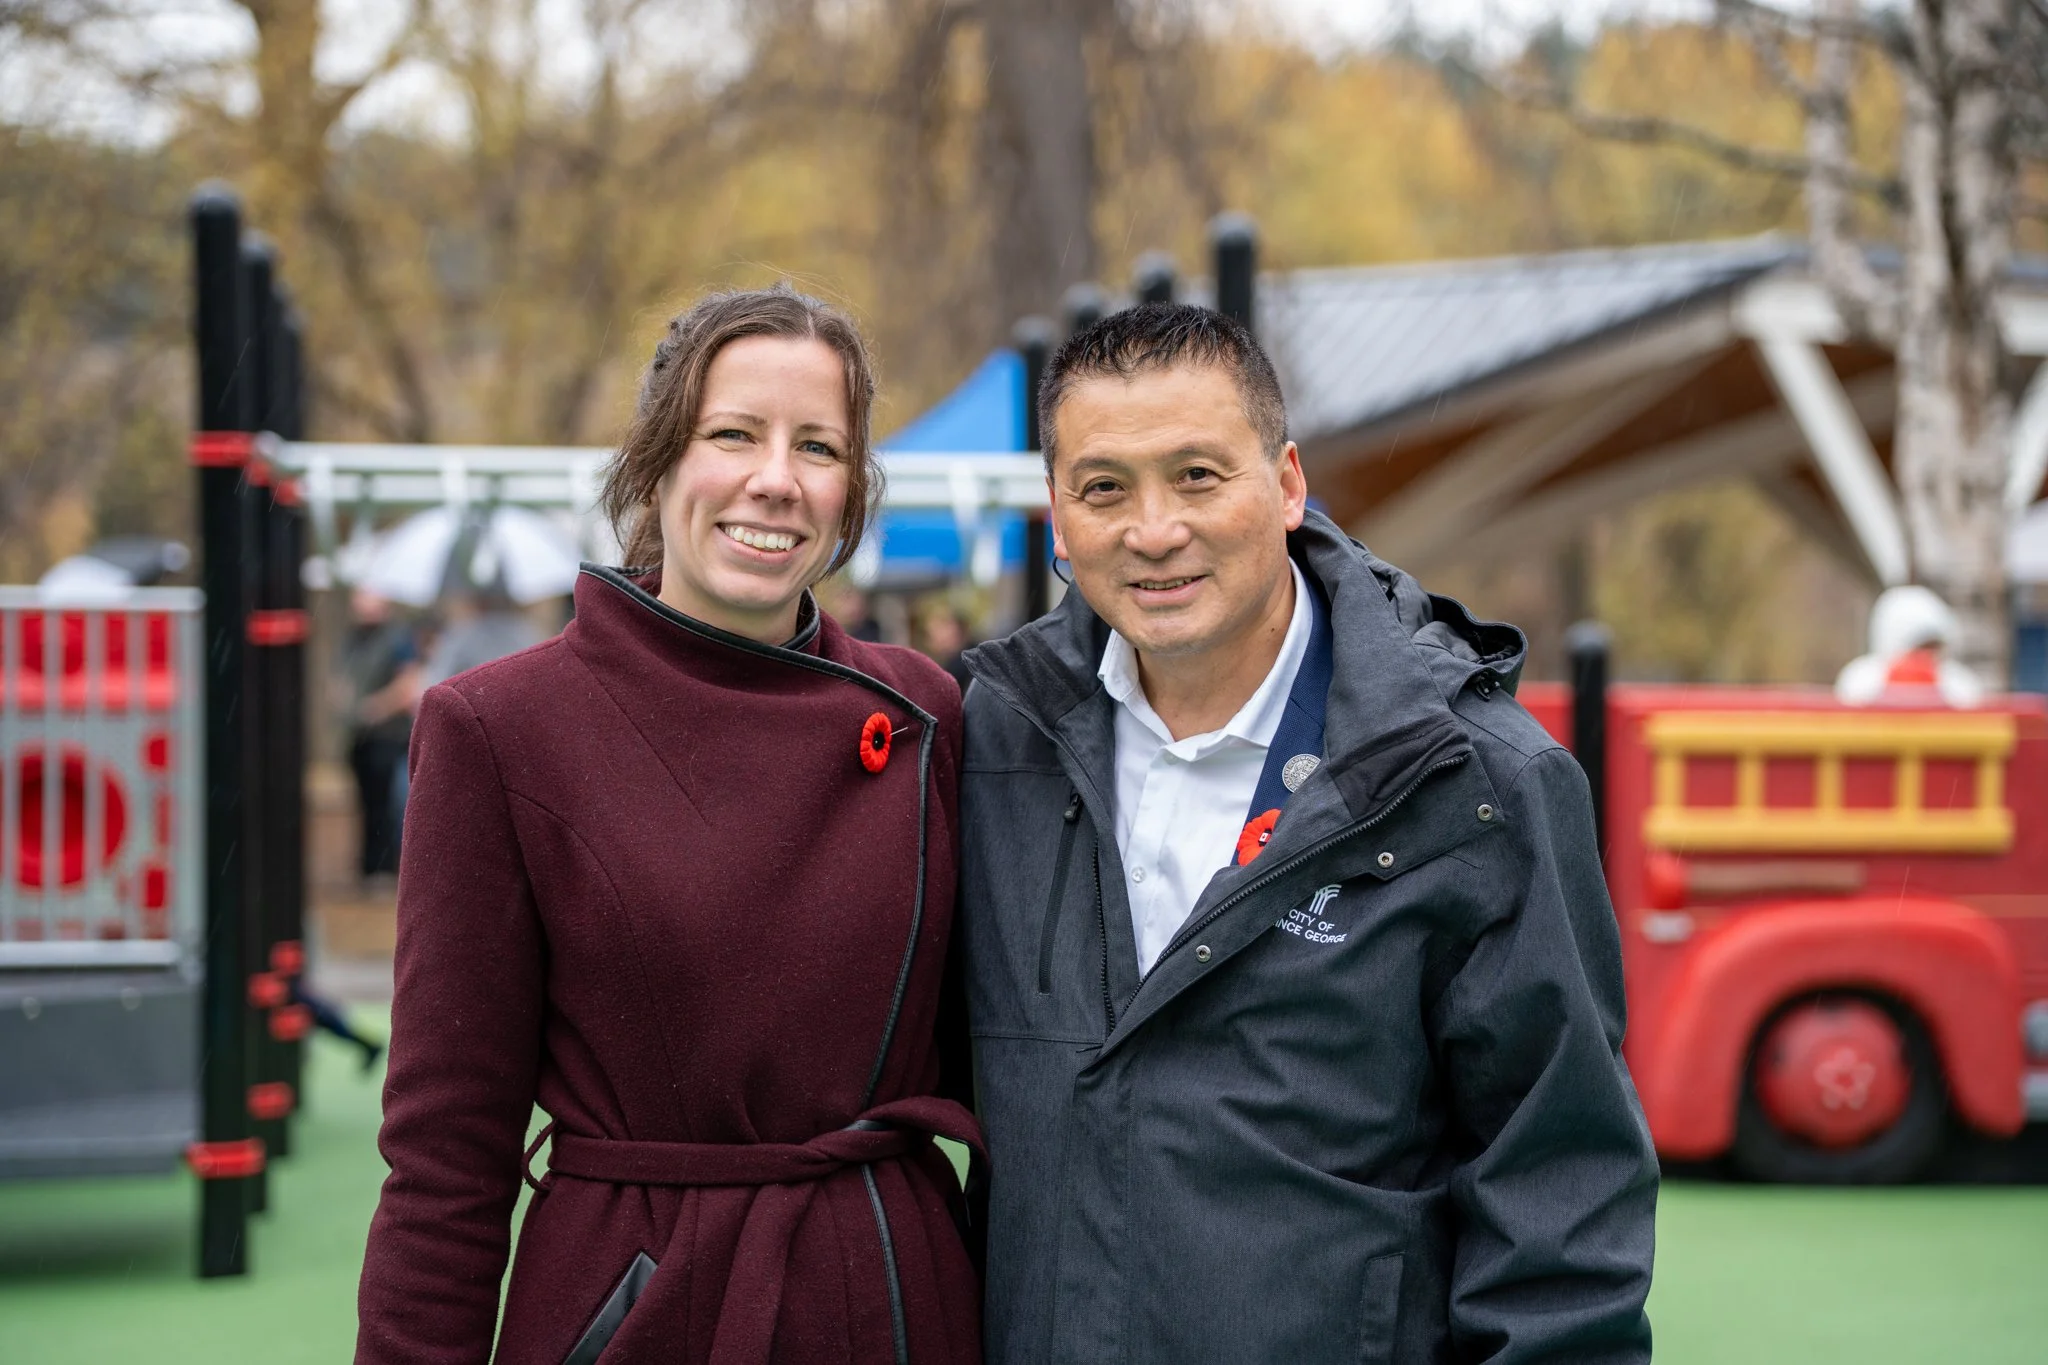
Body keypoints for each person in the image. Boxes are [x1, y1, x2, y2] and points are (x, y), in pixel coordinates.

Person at [958, 303, 1656, 1363]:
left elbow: (1560, 1203)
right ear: (1056, 516)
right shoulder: (985, 747)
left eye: (1197, 475)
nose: (1153, 530)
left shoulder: (1475, 785)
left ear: (1285, 485)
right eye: (1105, 488)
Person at [357, 286, 981, 1365]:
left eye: (817, 447)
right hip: (639, 1308)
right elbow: (446, 1157)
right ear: (655, 461)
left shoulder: (929, 711)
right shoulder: (499, 729)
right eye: (732, 433)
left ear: (850, 491)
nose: (774, 480)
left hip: (889, 1298)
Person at [340, 588, 421, 884]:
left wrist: (378, 707)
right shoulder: (354, 638)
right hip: (360, 735)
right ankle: (370, 867)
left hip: (389, 736)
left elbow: (409, 682)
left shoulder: (398, 638)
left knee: (389, 803)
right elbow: (342, 676)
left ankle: (385, 868)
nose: (360, 603)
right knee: (366, 802)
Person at [1835, 583, 1985, 708]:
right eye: (1920, 648)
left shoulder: (1956, 684)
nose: (1924, 658)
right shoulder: (1863, 680)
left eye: (1932, 648)